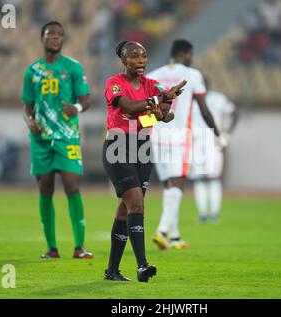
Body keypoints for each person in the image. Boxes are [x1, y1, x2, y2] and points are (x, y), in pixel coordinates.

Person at [102, 40, 185, 282]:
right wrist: (159, 101)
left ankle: (112, 271)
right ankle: (142, 265)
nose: (140, 61)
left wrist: (162, 110)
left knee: (125, 210)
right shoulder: (114, 83)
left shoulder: (151, 84)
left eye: (144, 56)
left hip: (144, 149)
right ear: (124, 60)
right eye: (134, 56)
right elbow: (128, 105)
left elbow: (166, 111)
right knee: (136, 205)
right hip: (118, 147)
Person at [21, 21, 93, 259]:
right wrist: (29, 121)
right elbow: (27, 106)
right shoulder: (32, 71)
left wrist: (77, 108)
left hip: (67, 136)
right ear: (42, 38)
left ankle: (79, 246)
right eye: (50, 33)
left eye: (59, 34)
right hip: (41, 138)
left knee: (72, 186)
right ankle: (51, 248)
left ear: (63, 40)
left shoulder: (72, 68)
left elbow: (86, 99)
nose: (55, 37)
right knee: (45, 189)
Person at [148, 39, 227, 250]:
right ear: (185, 54)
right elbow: (204, 109)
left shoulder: (153, 75)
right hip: (179, 137)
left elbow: (146, 109)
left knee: (168, 186)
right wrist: (219, 135)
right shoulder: (192, 75)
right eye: (191, 55)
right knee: (178, 184)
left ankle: (174, 236)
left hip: (156, 136)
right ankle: (162, 230)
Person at [188, 77, 238, 223]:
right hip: (198, 142)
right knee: (201, 180)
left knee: (211, 179)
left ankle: (212, 214)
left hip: (211, 142)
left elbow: (235, 113)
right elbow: (235, 113)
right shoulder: (193, 100)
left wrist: (227, 134)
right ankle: (205, 214)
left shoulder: (217, 98)